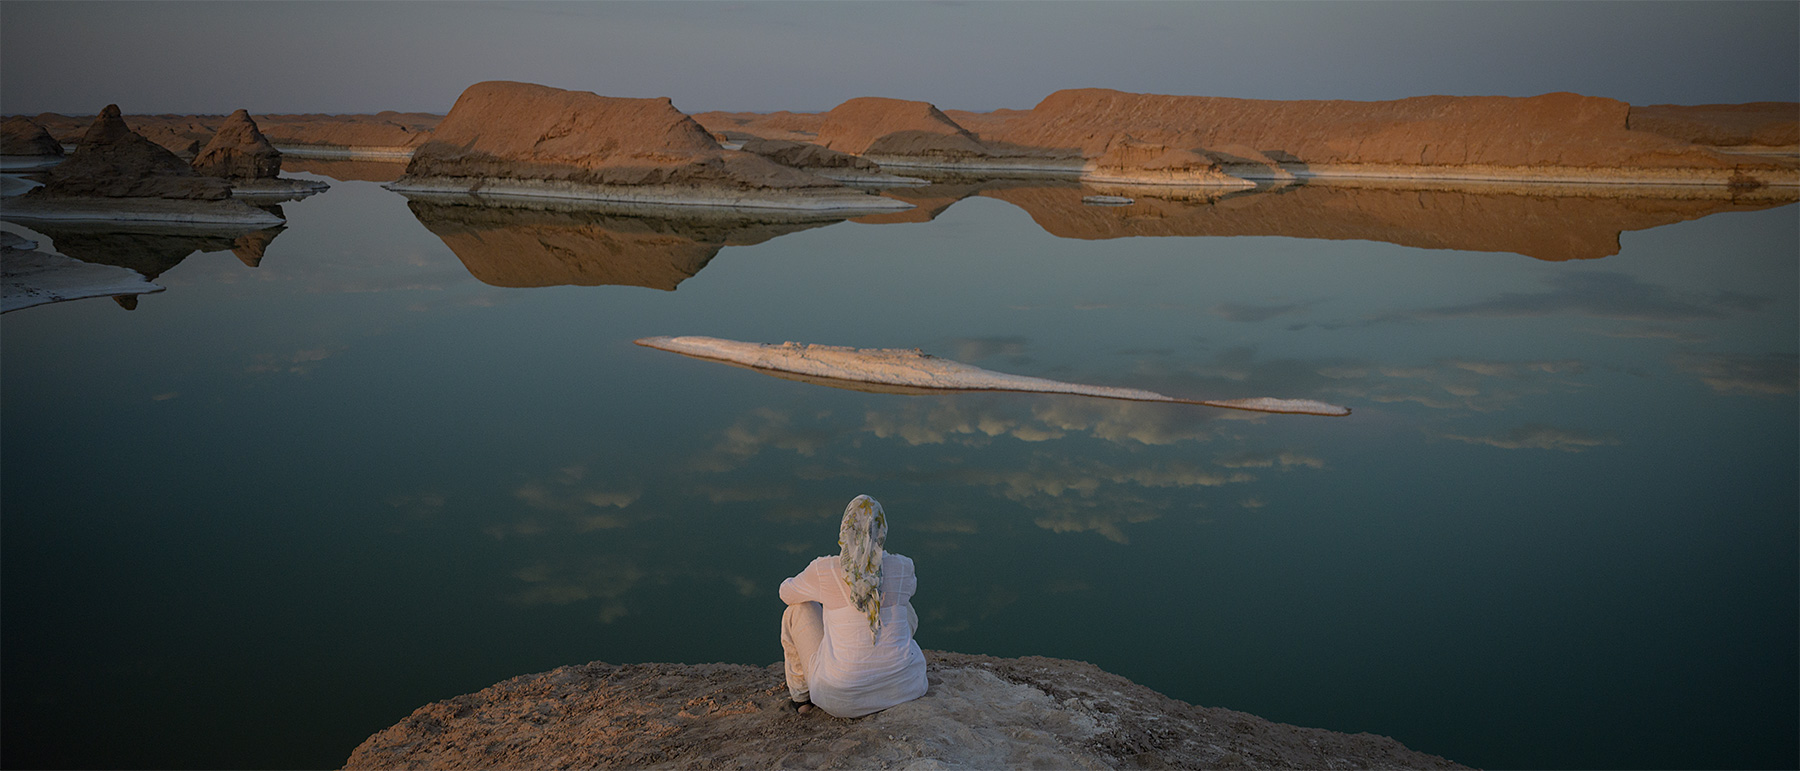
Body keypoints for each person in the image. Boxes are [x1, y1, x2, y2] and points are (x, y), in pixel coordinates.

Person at [779, 494, 927, 718]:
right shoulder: (903, 566)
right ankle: (886, 661)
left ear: (845, 529)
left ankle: (802, 698)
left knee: (797, 610)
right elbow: (908, 590)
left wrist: (826, 595)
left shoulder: (825, 569)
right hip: (907, 687)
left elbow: (786, 594)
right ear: (881, 530)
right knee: (902, 606)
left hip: (840, 699)